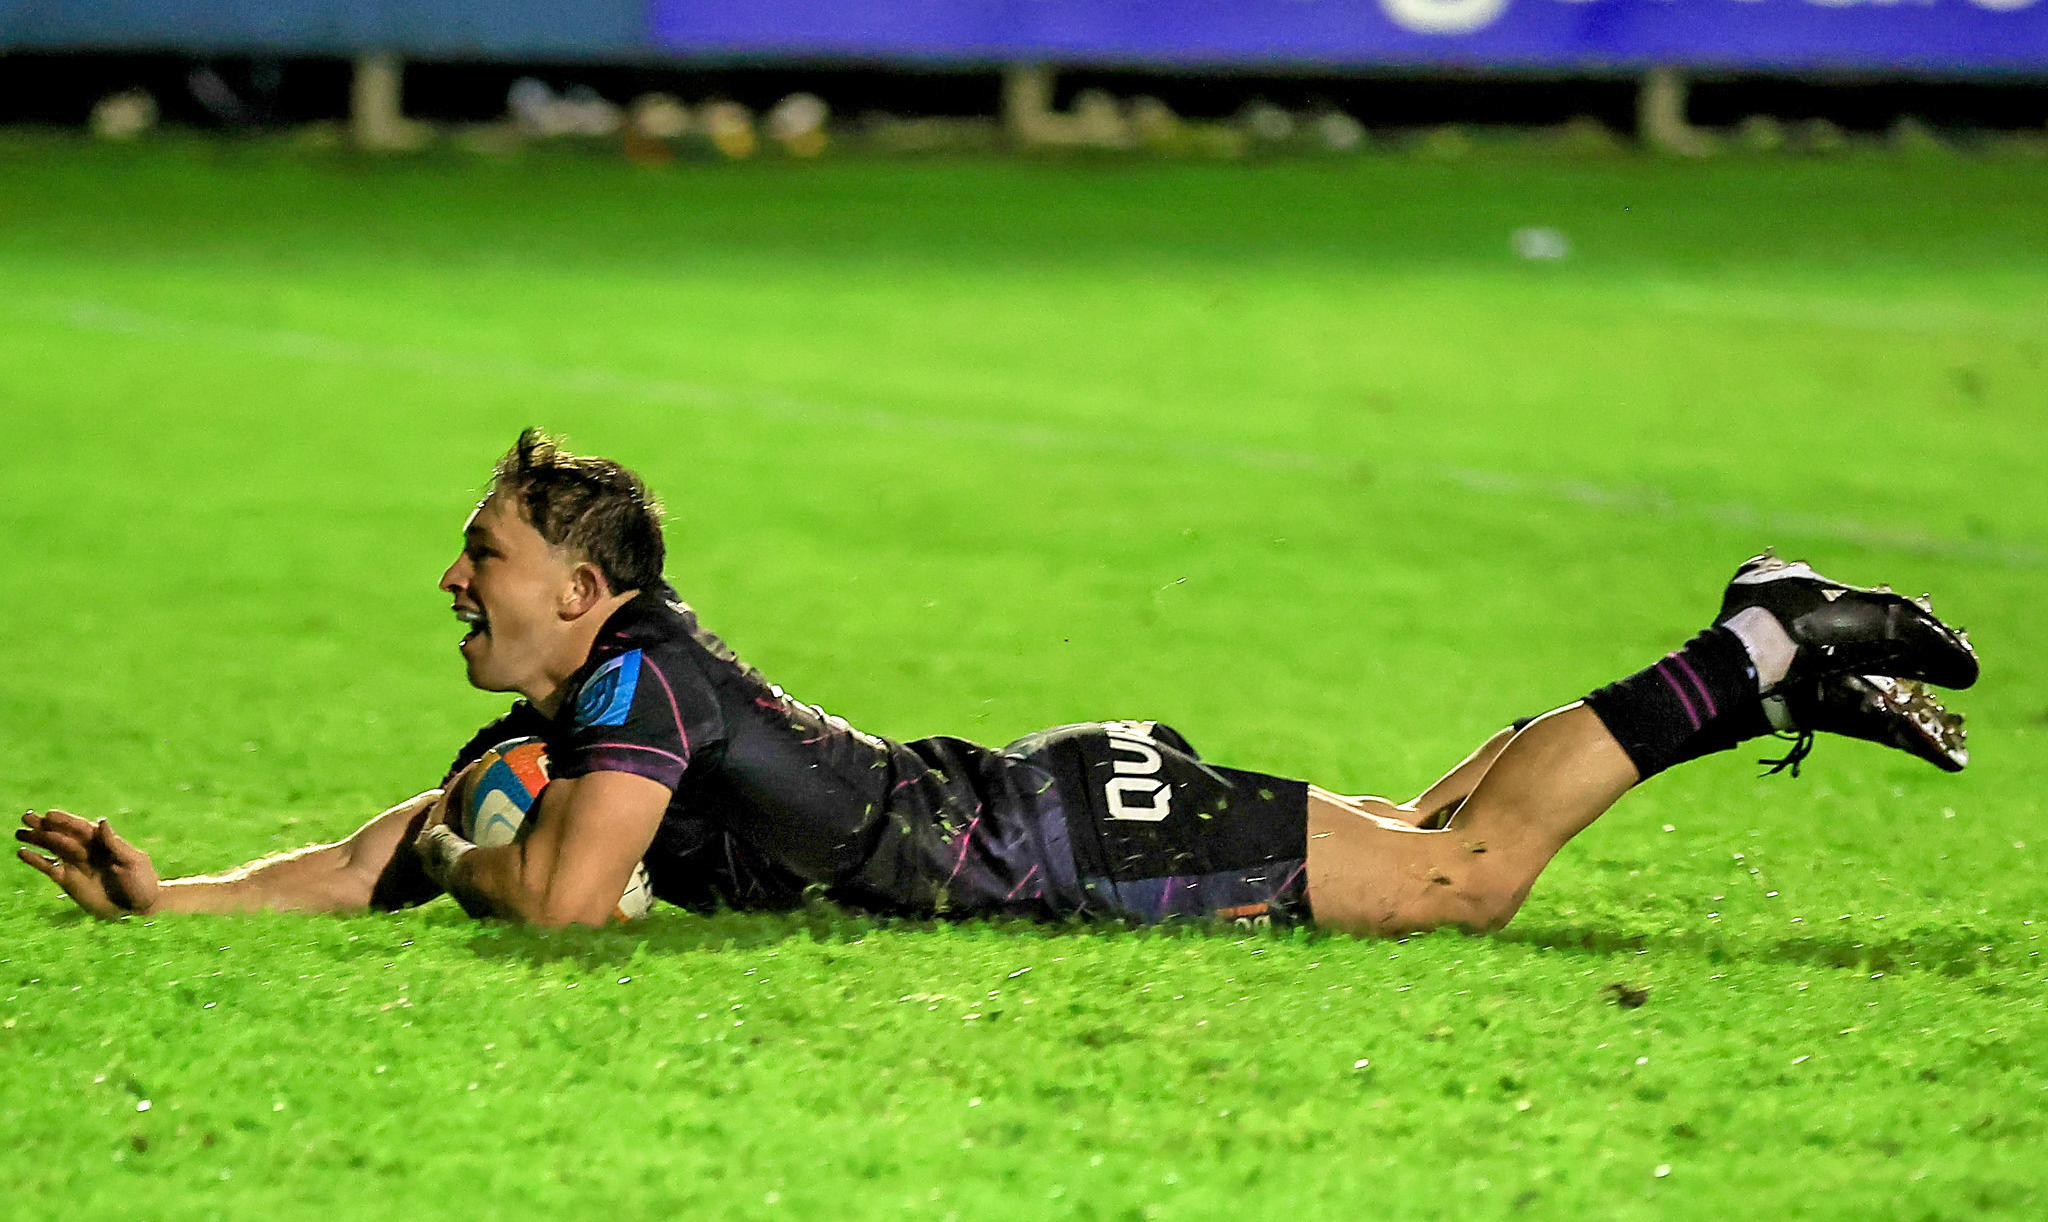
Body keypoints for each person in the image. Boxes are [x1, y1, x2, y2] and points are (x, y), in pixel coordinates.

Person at [16, 430, 1976, 936]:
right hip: (1042, 801)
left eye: (487, 559)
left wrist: (474, 847)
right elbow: (394, 835)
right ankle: (1756, 643)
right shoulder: (573, 707)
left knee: (1466, 877)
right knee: (1424, 830)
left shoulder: (633, 693)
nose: (455, 576)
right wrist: (178, 893)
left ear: (583, 591)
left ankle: (1753, 652)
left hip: (1051, 847)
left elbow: (560, 902)